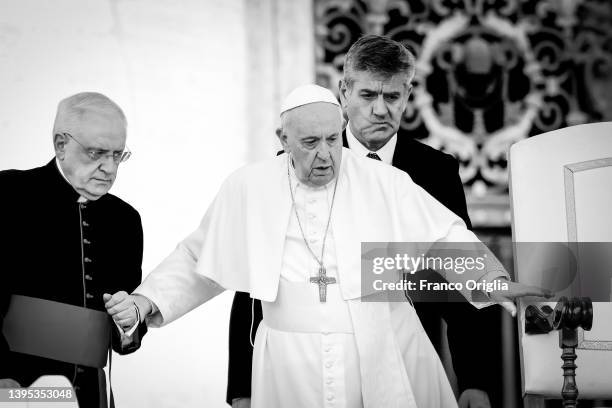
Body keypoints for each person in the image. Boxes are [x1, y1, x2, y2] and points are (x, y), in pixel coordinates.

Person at [106, 84, 549, 408]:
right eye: (309, 143)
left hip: (381, 345)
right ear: (283, 141)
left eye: (333, 140)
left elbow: (441, 235)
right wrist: (146, 301)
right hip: (289, 361)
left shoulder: (384, 181)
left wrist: (492, 279)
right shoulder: (248, 187)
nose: (325, 155)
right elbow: (199, 258)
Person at [228, 35, 502, 408]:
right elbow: (254, 284)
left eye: (392, 97)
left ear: (407, 96)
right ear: (344, 92)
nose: (380, 110)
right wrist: (242, 388)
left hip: (406, 362)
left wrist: (476, 381)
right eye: (368, 95)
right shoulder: (293, 163)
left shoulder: (436, 172)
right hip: (309, 370)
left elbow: (455, 278)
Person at [0, 92, 147, 408]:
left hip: (90, 395)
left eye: (118, 155)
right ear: (60, 144)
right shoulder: (7, 196)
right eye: (97, 152)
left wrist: (130, 323)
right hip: (15, 388)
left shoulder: (125, 220)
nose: (108, 167)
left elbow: (127, 327)